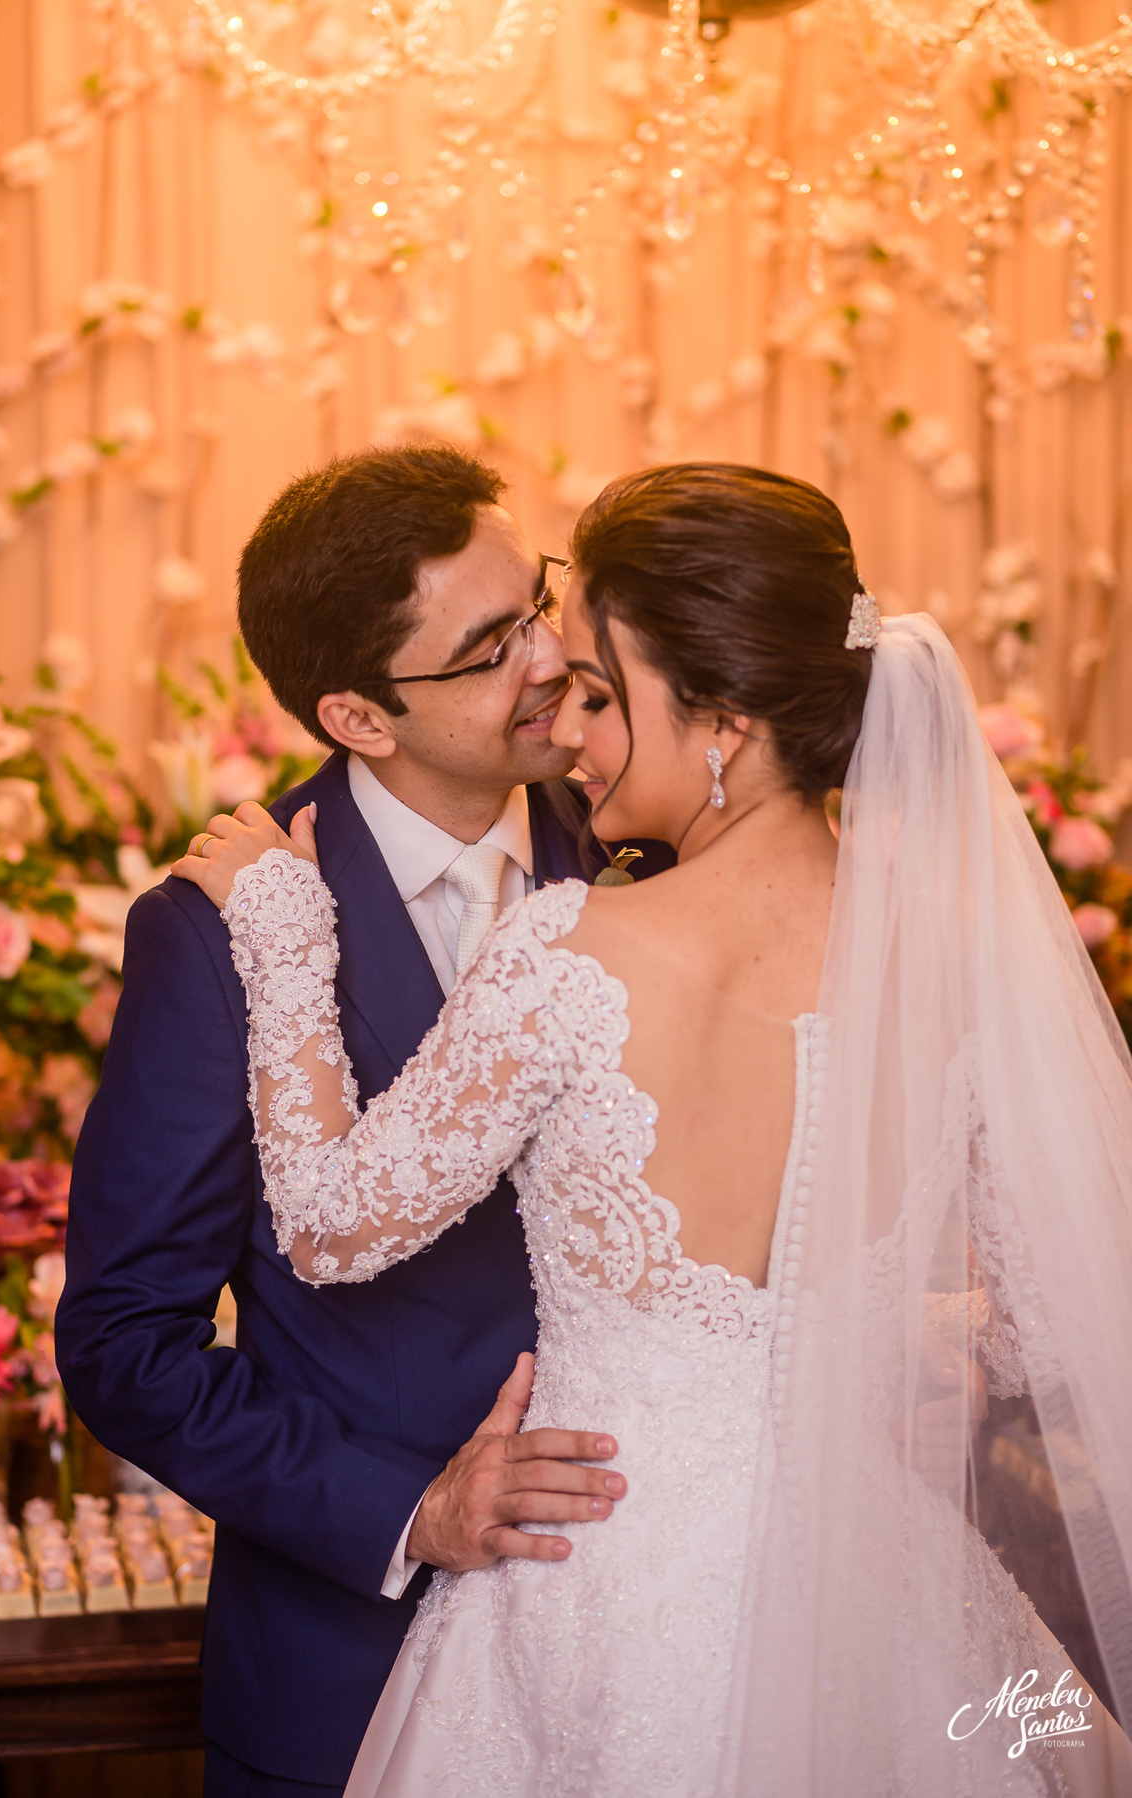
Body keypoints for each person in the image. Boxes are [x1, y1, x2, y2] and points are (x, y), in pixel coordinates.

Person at [177, 462, 1132, 1797]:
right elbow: (1048, 1324)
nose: (573, 732)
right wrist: (851, 1337)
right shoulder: (957, 964)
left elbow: (333, 1227)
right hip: (882, 1594)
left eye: (605, 698)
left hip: (603, 1585)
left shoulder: (572, 948)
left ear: (725, 722)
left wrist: (283, 934)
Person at [55, 444, 673, 1798]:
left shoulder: (654, 856)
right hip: (354, 1668)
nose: (554, 660)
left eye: (539, 601)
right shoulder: (219, 932)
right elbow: (122, 1345)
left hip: (652, 1637)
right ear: (358, 715)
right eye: (491, 644)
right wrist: (410, 1511)